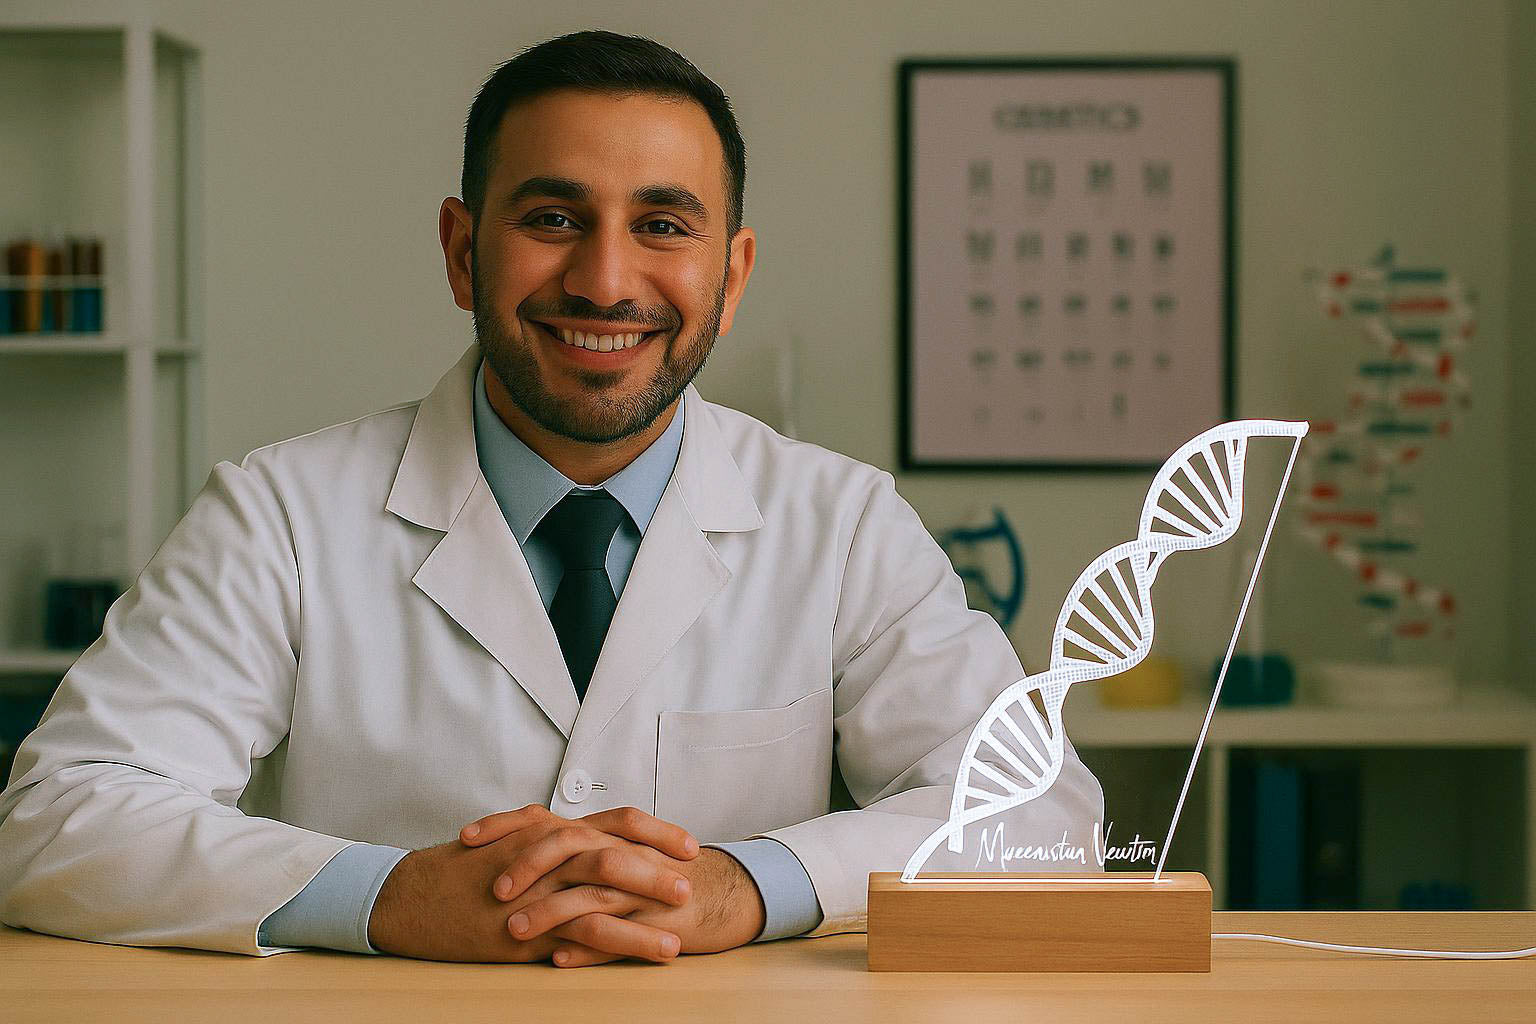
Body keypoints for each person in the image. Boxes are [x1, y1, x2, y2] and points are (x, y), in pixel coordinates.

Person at [0, 29, 1103, 966]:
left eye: (665, 225)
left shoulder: (844, 522)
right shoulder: (279, 513)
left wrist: (746, 884)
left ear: (734, 274)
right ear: (461, 249)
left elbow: (1039, 816)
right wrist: (385, 898)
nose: (606, 281)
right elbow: (58, 818)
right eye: (554, 218)